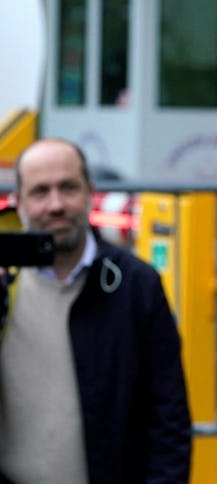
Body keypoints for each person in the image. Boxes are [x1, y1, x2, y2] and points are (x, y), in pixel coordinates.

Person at [0, 138, 192, 483]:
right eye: (40, 192)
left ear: (90, 192)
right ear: (18, 203)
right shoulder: (4, 285)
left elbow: (169, 415)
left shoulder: (136, 284)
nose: (56, 205)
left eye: (68, 187)